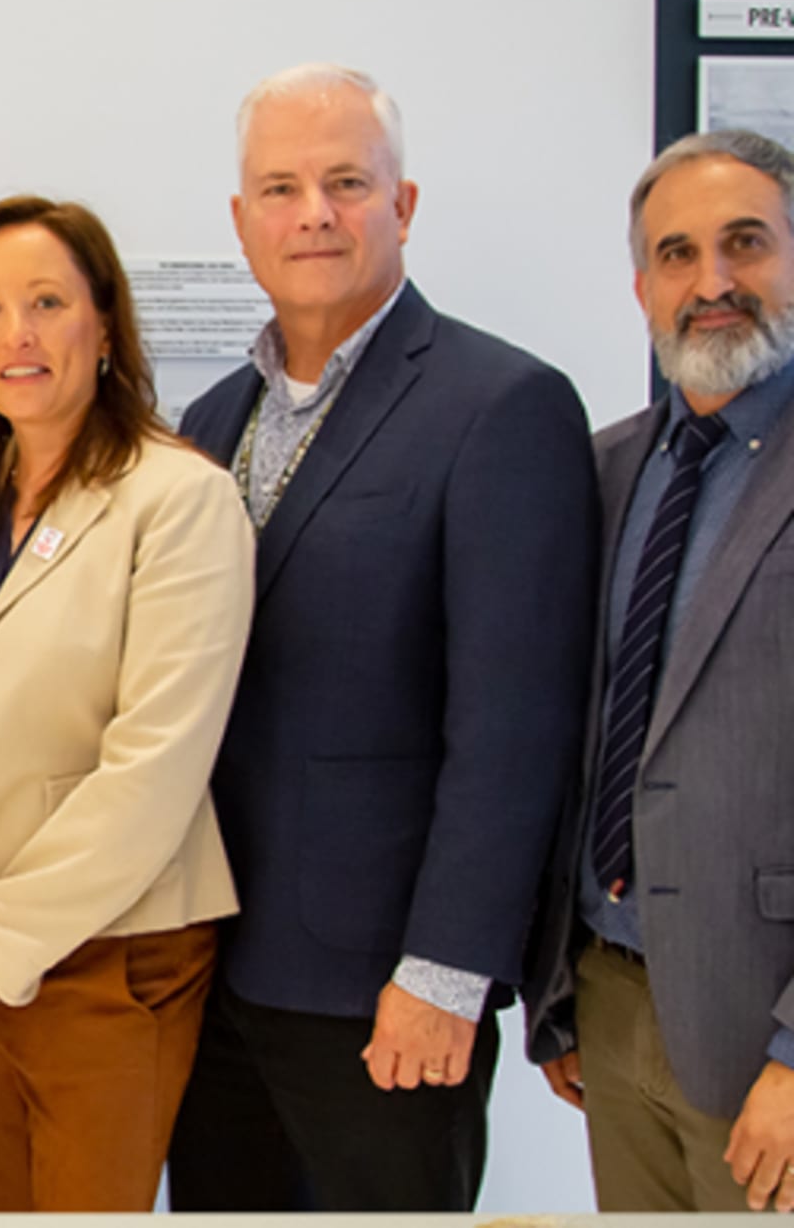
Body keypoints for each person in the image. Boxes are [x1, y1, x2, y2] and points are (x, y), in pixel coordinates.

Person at [163, 63, 597, 1211]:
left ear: (402, 208)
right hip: (209, 971)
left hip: (383, 992)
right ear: (242, 220)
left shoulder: (501, 407)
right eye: (282, 187)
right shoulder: (210, 423)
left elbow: (515, 723)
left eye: (347, 182)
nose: (313, 212)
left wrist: (447, 974)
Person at [0, 196, 253, 1211]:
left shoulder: (180, 500)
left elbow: (156, 766)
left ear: (106, 327)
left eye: (46, 302)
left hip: (107, 961)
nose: (16, 335)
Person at [524, 129, 794, 1214]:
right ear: (643, 286)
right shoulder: (606, 467)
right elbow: (579, 734)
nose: (712, 282)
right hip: (614, 1004)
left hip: (765, 1036)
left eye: (746, 244)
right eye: (677, 255)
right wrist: (562, 990)